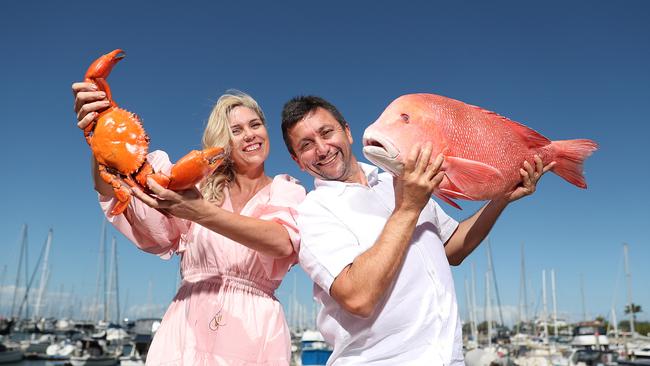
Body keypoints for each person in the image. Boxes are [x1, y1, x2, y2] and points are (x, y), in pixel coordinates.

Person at [280, 96, 556, 365]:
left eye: (327, 133)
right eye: (306, 145)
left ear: (347, 132)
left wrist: (501, 198)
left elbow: (453, 248)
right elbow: (357, 297)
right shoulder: (313, 211)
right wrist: (408, 208)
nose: (322, 148)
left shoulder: (400, 180)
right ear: (297, 160)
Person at [72, 85, 306, 365]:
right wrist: (100, 134)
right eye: (237, 130)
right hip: (188, 323)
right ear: (223, 140)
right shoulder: (195, 186)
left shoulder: (286, 190)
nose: (250, 134)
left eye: (255, 125)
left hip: (253, 328)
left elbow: (281, 242)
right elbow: (119, 189)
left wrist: (201, 213)